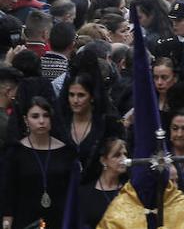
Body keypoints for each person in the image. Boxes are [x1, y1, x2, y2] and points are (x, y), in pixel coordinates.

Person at [1, 96, 79, 229]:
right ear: (26, 120)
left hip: (59, 220)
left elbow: (72, 193)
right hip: (25, 221)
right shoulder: (15, 152)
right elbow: (9, 192)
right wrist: (7, 223)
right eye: (35, 116)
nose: (41, 121)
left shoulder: (66, 152)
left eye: (46, 116)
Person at [79, 136, 127, 227]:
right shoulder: (84, 193)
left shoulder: (129, 190)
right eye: (117, 155)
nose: (124, 159)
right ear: (103, 160)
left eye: (125, 154)